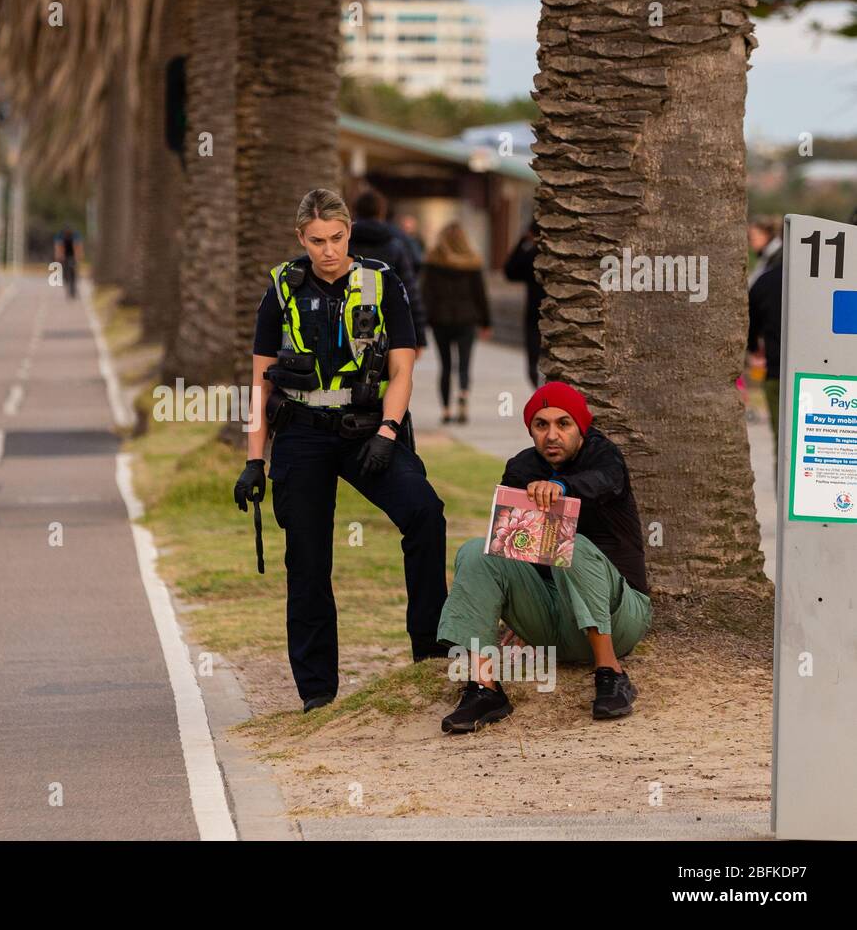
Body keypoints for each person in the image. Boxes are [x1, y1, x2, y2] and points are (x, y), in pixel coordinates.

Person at [234, 188, 450, 714]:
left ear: (349, 232)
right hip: (302, 434)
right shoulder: (281, 290)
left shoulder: (383, 283)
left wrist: (388, 432)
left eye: (336, 238)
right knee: (307, 560)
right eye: (316, 241)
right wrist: (254, 460)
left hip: (368, 429)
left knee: (425, 514)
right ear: (300, 239)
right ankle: (318, 693)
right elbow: (260, 381)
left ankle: (433, 654)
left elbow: (402, 369)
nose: (328, 250)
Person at [435, 382, 651, 731]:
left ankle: (611, 674)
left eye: (563, 424)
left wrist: (561, 488)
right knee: (477, 550)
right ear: (531, 430)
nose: (552, 435)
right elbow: (513, 550)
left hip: (620, 616)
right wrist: (523, 613)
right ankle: (484, 688)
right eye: (541, 425)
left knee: (571, 544)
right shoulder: (521, 468)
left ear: (580, 427)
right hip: (551, 621)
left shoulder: (604, 457)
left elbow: (601, 482)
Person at [421, 222, 491, 424]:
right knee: (464, 364)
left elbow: (427, 295)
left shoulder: (433, 262)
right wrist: (486, 322)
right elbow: (480, 295)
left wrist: (423, 323)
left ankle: (445, 410)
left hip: (440, 320)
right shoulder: (472, 263)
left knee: (445, 366)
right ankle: (463, 394)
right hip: (466, 319)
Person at [349, 188, 428, 359]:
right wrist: (419, 337)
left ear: (355, 210)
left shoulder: (343, 242)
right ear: (381, 211)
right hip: (388, 322)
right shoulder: (395, 244)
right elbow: (410, 291)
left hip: (346, 321)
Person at [747, 218, 783, 451]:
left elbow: (754, 315)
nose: (751, 243)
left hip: (775, 364)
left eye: (753, 237)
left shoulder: (768, 275)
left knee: (781, 441)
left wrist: (752, 347)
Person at [504, 224, 545, 388]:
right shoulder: (536, 255)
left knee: (533, 362)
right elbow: (510, 272)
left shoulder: (532, 255)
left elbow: (509, 271)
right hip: (540, 316)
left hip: (534, 315)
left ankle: (541, 394)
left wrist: (522, 242)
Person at [53, 226, 83, 299]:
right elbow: (58, 247)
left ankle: (73, 286)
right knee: (64, 270)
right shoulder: (60, 235)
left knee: (73, 270)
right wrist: (58, 256)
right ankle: (66, 279)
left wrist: (78, 256)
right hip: (64, 253)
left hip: (73, 253)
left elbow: (79, 246)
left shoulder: (76, 235)